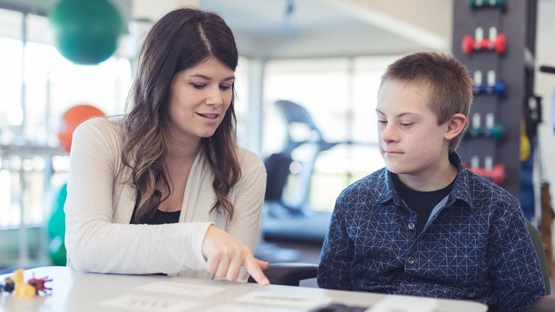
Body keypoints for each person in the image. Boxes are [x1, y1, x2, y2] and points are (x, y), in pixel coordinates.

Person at [317, 51, 545, 311]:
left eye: (406, 123)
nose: (387, 134)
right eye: (382, 120)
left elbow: (521, 304)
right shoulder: (353, 202)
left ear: (451, 126)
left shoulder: (498, 211)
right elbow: (331, 292)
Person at [64, 7, 269, 286]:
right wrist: (198, 239)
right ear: (159, 82)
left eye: (225, 85)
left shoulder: (246, 169)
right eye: (199, 84)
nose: (217, 100)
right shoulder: (98, 138)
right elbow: (85, 245)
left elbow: (231, 283)